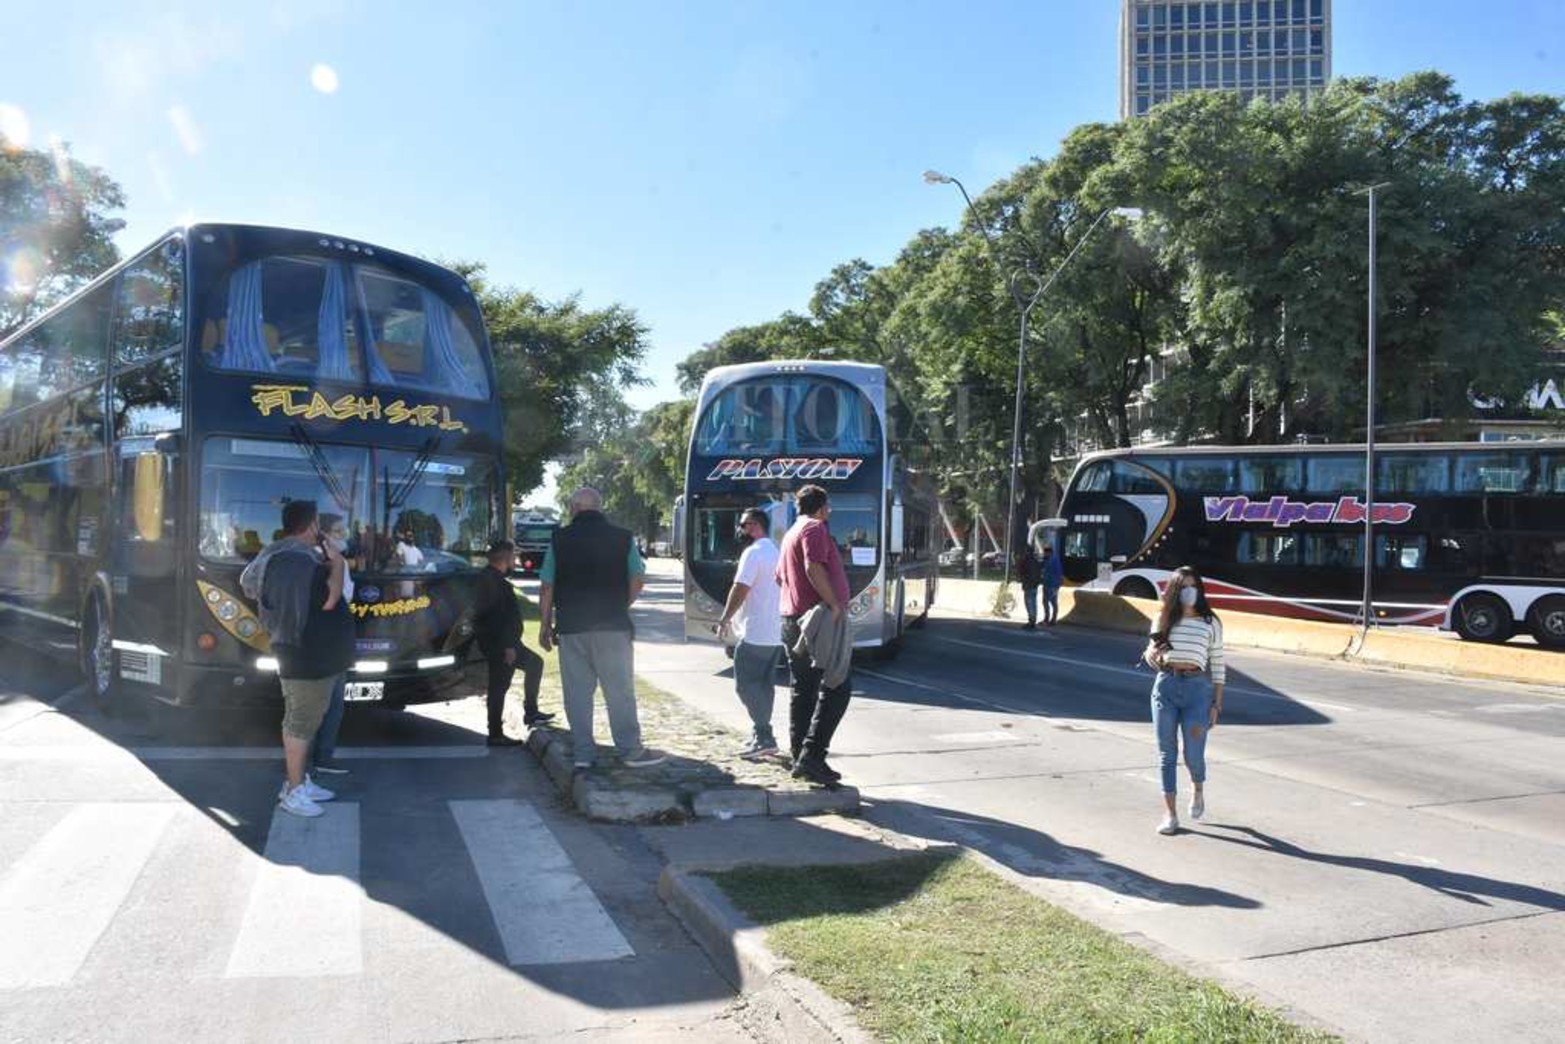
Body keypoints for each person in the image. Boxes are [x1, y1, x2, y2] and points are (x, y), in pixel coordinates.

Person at [537, 488, 665, 769]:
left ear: (574, 508)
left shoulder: (559, 539)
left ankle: (584, 754)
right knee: (619, 691)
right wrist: (620, 605)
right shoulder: (623, 537)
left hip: (572, 627)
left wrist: (545, 625)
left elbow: (547, 587)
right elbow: (637, 579)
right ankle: (630, 751)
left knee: (577, 694)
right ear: (599, 507)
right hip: (613, 625)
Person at [244, 500, 355, 818]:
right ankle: (293, 792)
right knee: (300, 724)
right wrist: (338, 564)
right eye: (319, 523)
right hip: (306, 656)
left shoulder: (285, 556)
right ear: (312, 526)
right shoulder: (297, 561)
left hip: (306, 653)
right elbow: (331, 599)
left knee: (305, 720)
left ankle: (299, 782)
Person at [775, 484, 853, 786]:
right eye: (828, 507)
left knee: (803, 690)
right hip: (815, 619)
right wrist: (833, 604)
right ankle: (813, 755)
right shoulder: (815, 528)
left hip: (792, 618)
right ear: (822, 508)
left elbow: (779, 577)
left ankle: (801, 756)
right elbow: (813, 566)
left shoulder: (791, 532)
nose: (829, 512)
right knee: (838, 685)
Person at [1143, 566, 1225, 835]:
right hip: (1166, 686)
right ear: (1175, 591)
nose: (1190, 592)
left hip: (1197, 691)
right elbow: (1151, 650)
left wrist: (1216, 704)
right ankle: (1170, 814)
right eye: (1184, 587)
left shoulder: (1211, 622)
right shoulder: (1163, 618)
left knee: (1193, 754)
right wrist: (1151, 654)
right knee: (1167, 754)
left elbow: (1218, 664)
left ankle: (1197, 787)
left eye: (1194, 586)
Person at [717, 507, 783, 758]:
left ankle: (764, 736)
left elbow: (740, 588)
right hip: (775, 633)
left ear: (756, 526)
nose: (740, 530)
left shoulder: (753, 553)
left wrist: (725, 618)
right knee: (764, 686)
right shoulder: (775, 551)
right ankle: (761, 735)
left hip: (755, 631)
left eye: (744, 525)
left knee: (744, 686)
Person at [473, 539, 553, 746]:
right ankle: (495, 734)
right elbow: (495, 617)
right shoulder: (492, 581)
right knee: (499, 686)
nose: (515, 560)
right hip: (501, 644)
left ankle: (530, 712)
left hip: (505, 642)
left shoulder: (492, 578)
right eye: (513, 556)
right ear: (505, 557)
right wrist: (507, 646)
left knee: (533, 664)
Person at [309, 513, 357, 776]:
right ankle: (318, 759)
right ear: (324, 534)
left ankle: (315, 759)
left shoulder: (315, 557)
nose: (344, 536)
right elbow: (338, 598)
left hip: (327, 643)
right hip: (328, 644)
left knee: (324, 705)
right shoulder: (326, 561)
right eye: (338, 531)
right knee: (328, 705)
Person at [1018, 543, 1042, 630]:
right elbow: (1039, 573)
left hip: (1029, 585)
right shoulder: (1035, 561)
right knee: (1033, 603)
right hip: (1034, 585)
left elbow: (1022, 571)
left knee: (1029, 603)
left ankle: (1031, 620)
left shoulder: (1026, 561)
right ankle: (1033, 619)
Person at [1040, 543, 1064, 626]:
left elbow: (1059, 573)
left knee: (1053, 602)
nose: (1044, 553)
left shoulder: (1054, 560)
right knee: (1045, 602)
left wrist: (1057, 586)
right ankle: (1047, 618)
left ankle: (1053, 619)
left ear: (1049, 552)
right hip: (1047, 584)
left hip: (1052, 584)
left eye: (1045, 552)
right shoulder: (1047, 559)